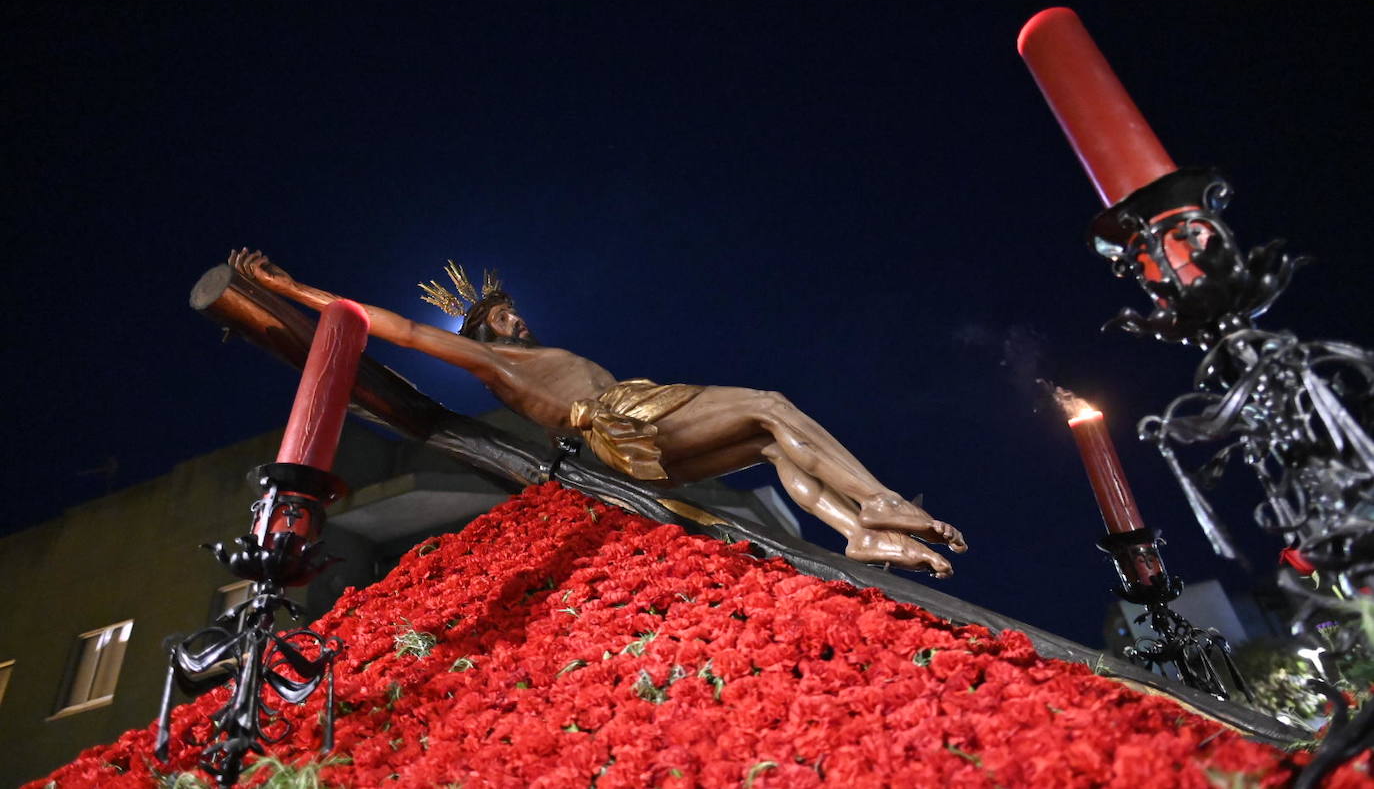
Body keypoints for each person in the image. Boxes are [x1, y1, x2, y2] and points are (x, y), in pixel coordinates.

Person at [230, 250, 966, 576]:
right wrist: (295, 289)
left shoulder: (524, 356)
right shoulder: (495, 361)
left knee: (769, 441)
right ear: (486, 330)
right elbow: (399, 327)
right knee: (772, 405)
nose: (521, 322)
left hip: (633, 436)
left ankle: (856, 533)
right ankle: (875, 500)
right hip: (627, 417)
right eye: (509, 316)